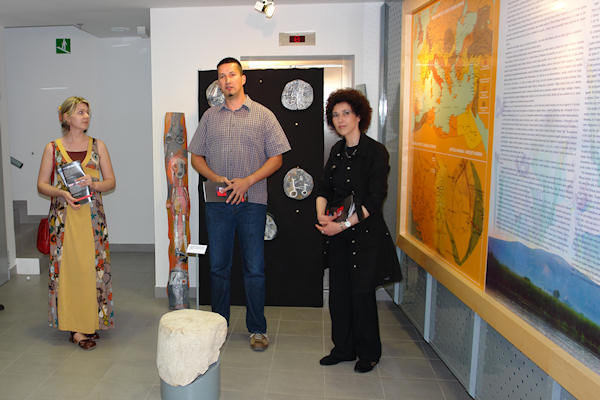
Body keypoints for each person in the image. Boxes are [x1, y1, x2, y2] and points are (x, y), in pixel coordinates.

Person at [189, 57, 290, 351]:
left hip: (252, 202)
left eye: (232, 74)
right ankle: (218, 327)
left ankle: (257, 329)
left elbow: (277, 158)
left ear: (243, 78)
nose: (227, 80)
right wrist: (215, 178)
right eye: (222, 76)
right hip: (218, 203)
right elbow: (196, 157)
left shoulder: (263, 115)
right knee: (218, 267)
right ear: (218, 82)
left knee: (254, 268)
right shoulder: (210, 117)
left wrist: (248, 180)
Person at [315, 88, 402, 373]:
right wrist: (322, 216)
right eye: (335, 115)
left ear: (359, 116)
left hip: (364, 234)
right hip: (338, 234)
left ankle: (369, 353)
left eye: (346, 113)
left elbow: (375, 200)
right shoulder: (337, 151)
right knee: (339, 294)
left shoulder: (375, 152)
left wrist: (342, 225)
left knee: (362, 294)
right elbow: (324, 188)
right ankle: (343, 348)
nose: (340, 120)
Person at [37, 96, 115, 350]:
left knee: (92, 269)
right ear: (66, 118)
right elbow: (42, 185)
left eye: (87, 112)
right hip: (64, 220)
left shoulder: (98, 146)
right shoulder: (52, 148)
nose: (86, 116)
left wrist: (94, 183)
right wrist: (61, 192)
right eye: (80, 112)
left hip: (92, 219)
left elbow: (111, 182)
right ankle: (76, 328)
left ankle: (90, 320)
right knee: (69, 271)